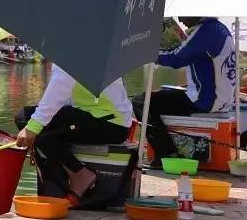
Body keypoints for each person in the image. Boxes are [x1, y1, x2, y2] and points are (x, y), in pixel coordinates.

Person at [15, 64, 133, 199]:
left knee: (29, 122)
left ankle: (79, 174)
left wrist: (31, 129)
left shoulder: (71, 54)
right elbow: (63, 98)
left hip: (109, 122)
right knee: (34, 125)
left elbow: (57, 93)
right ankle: (65, 177)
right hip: (99, 117)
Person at [134, 17, 236, 162]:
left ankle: (167, 153)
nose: (181, 19)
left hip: (206, 101)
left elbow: (176, 59)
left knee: (141, 101)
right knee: (162, 95)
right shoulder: (220, 29)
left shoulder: (206, 31)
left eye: (183, 14)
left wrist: (149, 54)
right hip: (222, 100)